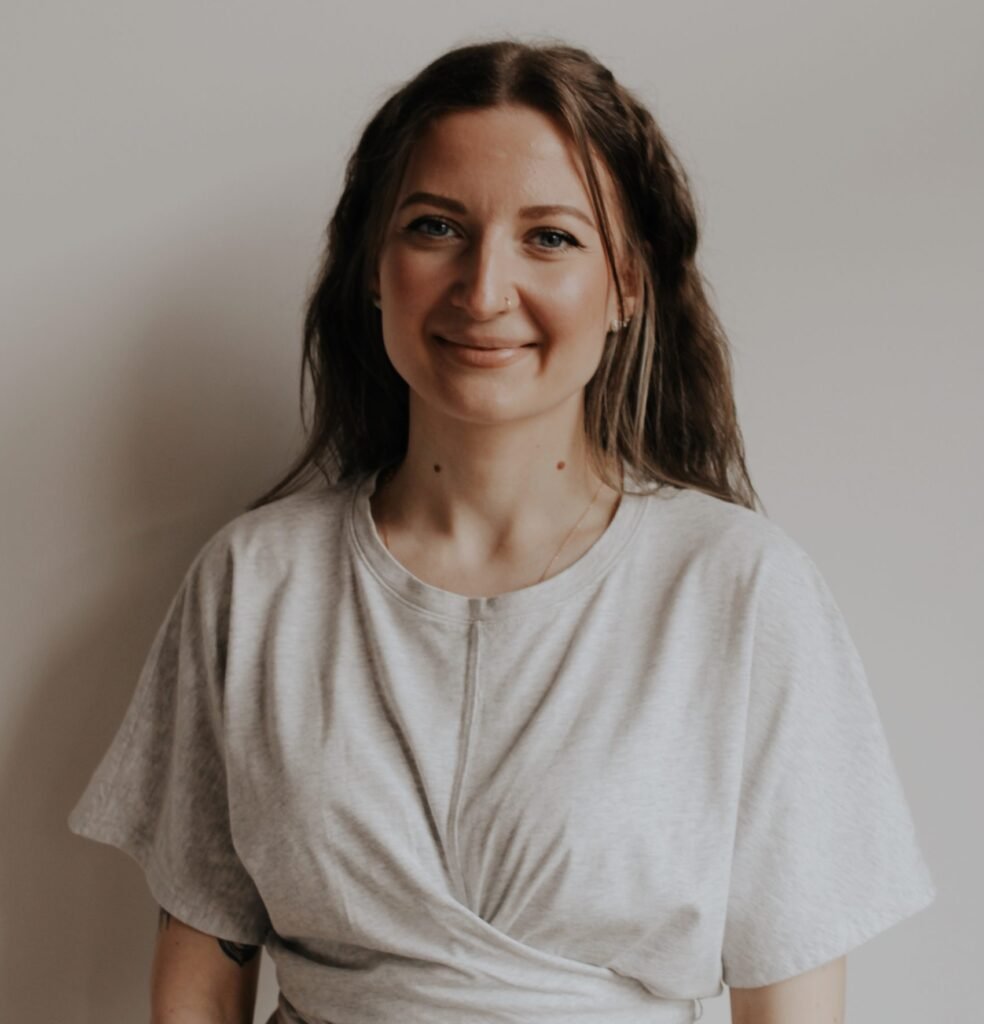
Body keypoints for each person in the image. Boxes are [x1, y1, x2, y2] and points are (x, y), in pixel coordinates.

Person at [69, 38, 936, 1024]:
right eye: (436, 227)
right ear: (373, 267)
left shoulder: (741, 591)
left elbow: (793, 1006)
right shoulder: (256, 583)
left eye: (550, 237)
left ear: (628, 286)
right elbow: (197, 982)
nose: (483, 291)